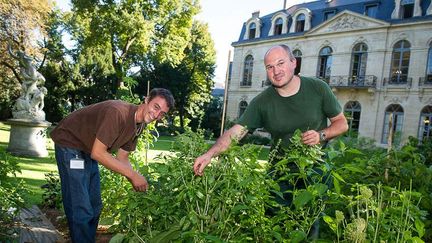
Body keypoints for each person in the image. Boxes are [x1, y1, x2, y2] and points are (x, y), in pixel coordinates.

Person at [193, 44, 348, 179]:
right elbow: (235, 132)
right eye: (270, 67)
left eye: (281, 63)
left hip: (315, 172)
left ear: (294, 63)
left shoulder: (318, 88)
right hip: (279, 176)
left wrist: (321, 135)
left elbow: (341, 123)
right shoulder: (262, 102)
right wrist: (209, 154)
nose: (276, 71)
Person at [50, 88, 174, 243]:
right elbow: (99, 153)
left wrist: (137, 182)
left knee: (95, 207)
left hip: (87, 149)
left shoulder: (139, 125)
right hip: (69, 143)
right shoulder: (118, 113)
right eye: (156, 107)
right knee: (80, 208)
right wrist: (133, 175)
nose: (157, 115)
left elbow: (122, 158)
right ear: (147, 100)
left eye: (162, 113)